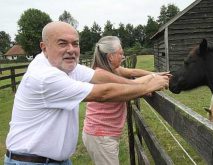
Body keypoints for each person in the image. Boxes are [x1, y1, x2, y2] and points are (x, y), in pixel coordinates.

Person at [4, 21, 169, 165]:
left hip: (53, 160)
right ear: (44, 47)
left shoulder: (64, 65)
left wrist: (137, 84)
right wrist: (146, 87)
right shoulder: (45, 77)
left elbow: (99, 76)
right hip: (32, 162)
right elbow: (102, 93)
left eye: (75, 43)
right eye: (62, 43)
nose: (71, 49)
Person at [82, 36, 164, 165]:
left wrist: (157, 75)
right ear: (110, 56)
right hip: (101, 135)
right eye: (120, 53)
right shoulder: (101, 75)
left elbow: (132, 72)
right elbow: (131, 86)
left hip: (103, 135)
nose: (123, 56)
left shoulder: (113, 70)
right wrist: (153, 79)